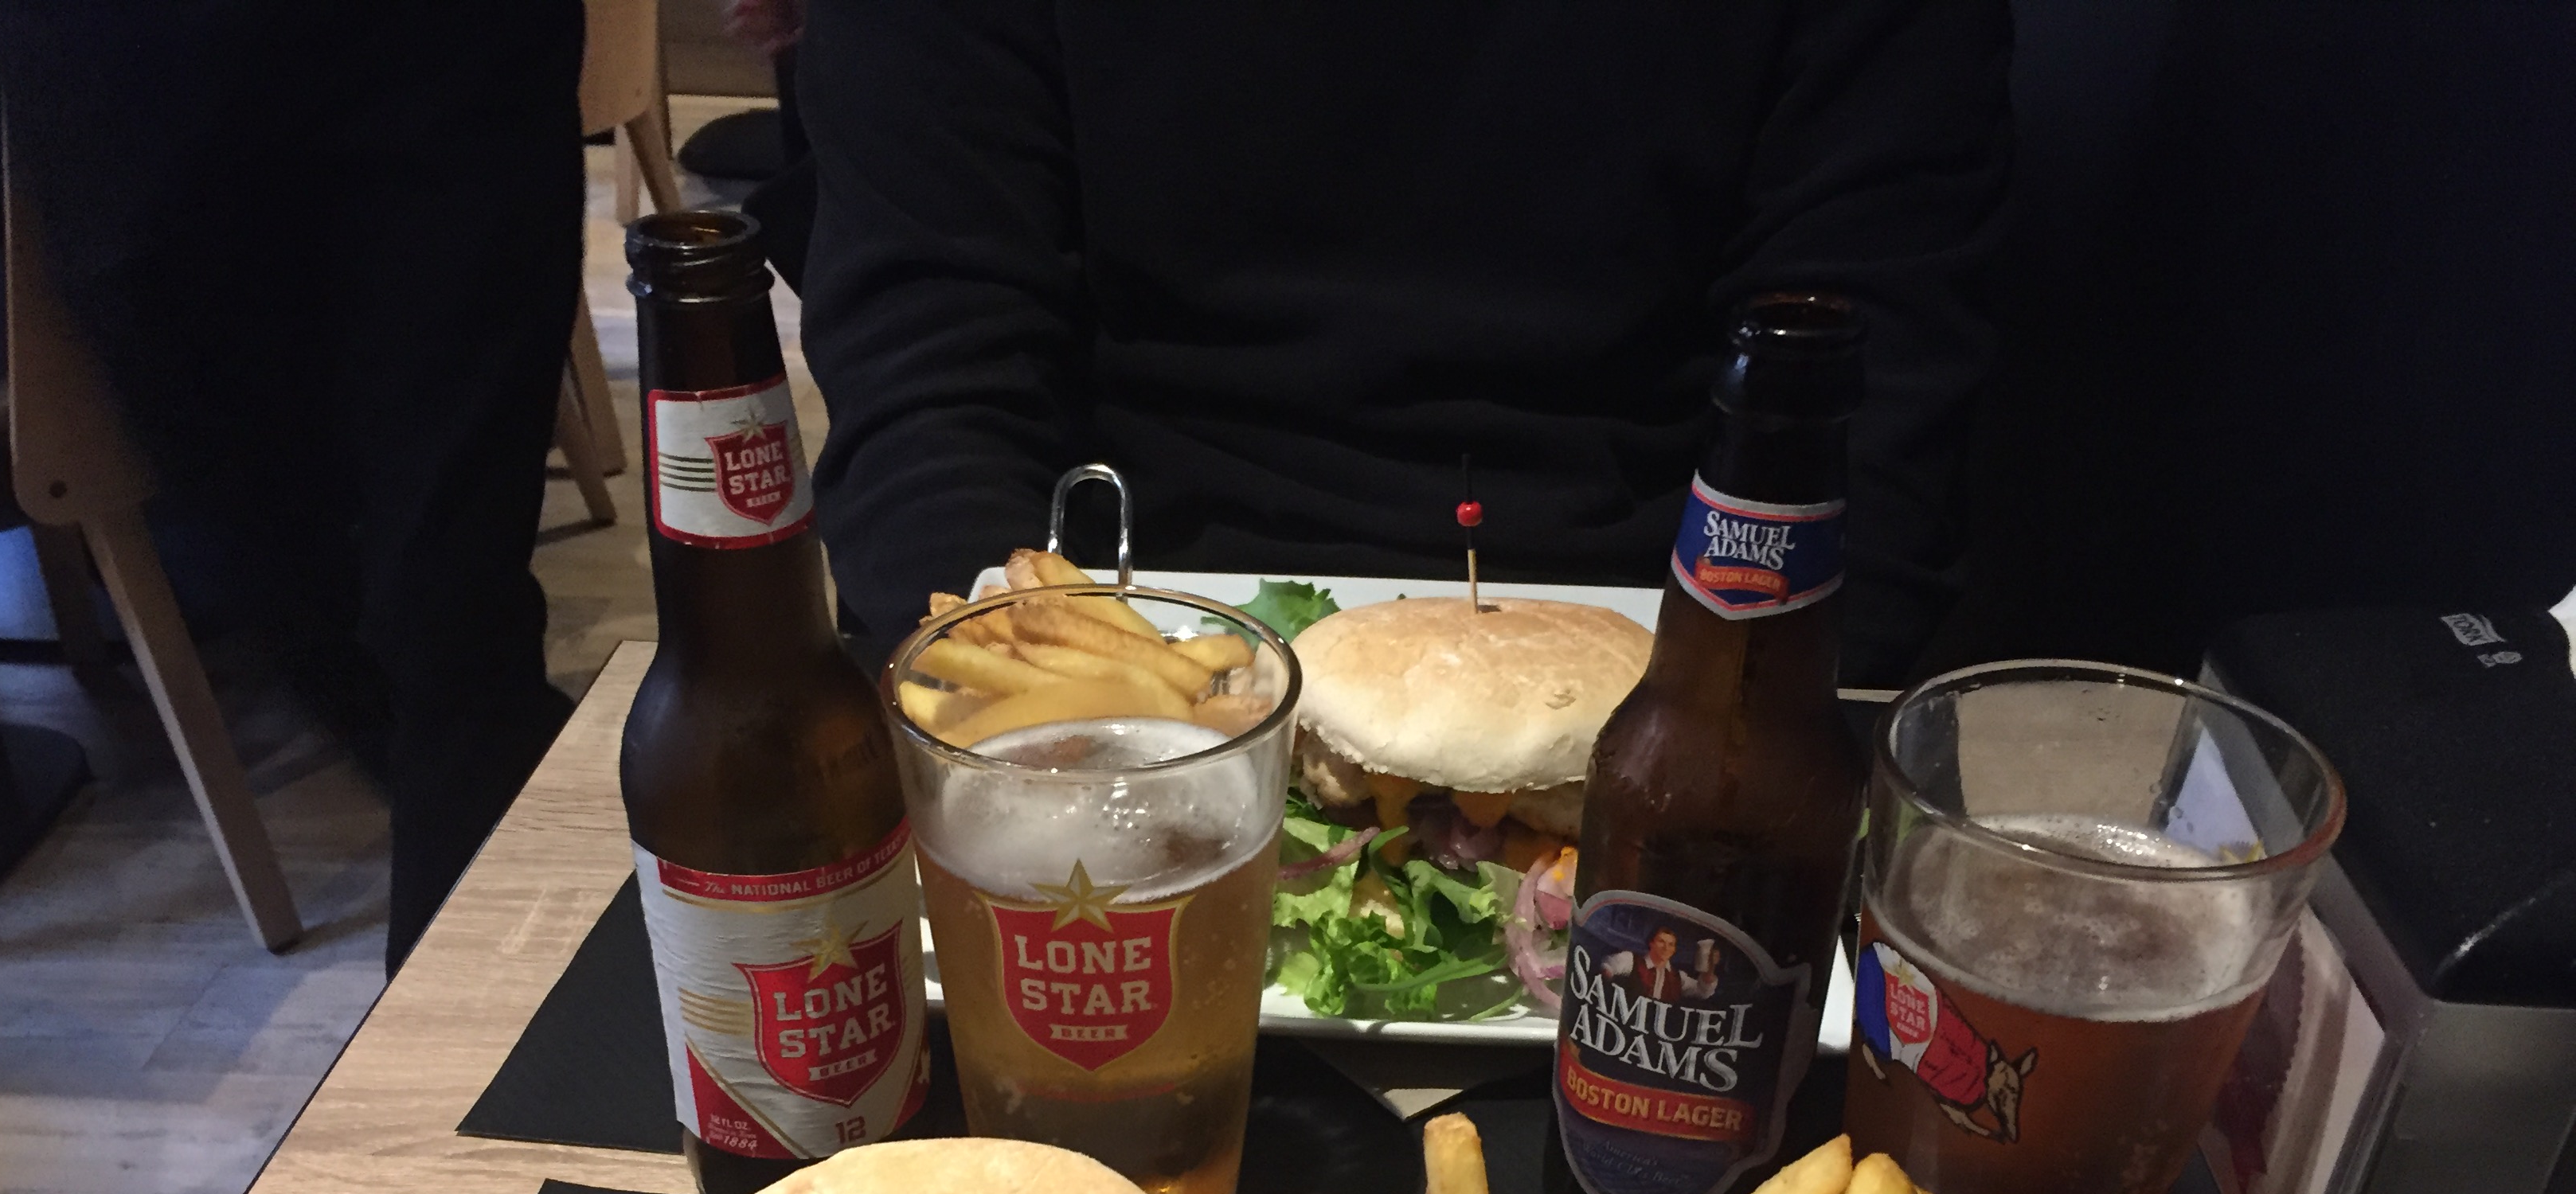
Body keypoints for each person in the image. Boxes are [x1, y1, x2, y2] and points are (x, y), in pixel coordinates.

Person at [794, 0, 2011, 689]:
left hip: (1677, 646)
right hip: (1132, 628)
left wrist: (1737, 746)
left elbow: (1871, 397)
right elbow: (931, 359)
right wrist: (1045, 731)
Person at [0, 0, 584, 972]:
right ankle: (513, 821)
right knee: (289, 587)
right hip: (129, 74)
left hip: (436, 54)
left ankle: (491, 985)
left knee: (453, 625)